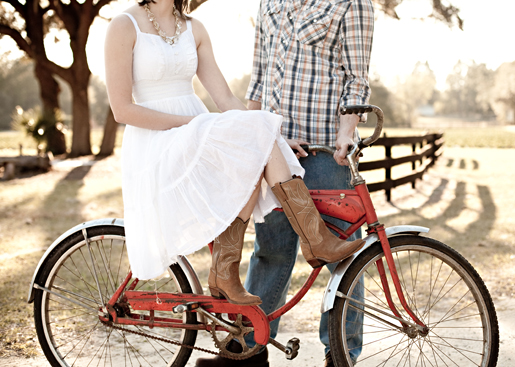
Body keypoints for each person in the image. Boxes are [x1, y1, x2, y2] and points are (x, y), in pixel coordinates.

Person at [104, 0, 366, 309]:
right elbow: (122, 110)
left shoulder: (194, 28)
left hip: (195, 132)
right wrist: (192, 124)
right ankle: (313, 240)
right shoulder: (123, 25)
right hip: (156, 141)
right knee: (252, 139)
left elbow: (226, 98)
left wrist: (272, 137)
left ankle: (232, 268)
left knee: (253, 144)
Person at [195, 0, 374, 366]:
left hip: (325, 153)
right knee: (269, 252)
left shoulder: (352, 4)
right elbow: (259, 78)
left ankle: (341, 355)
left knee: (344, 259)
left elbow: (356, 79)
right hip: (274, 152)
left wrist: (346, 132)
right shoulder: (270, 3)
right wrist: (253, 137)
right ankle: (246, 352)